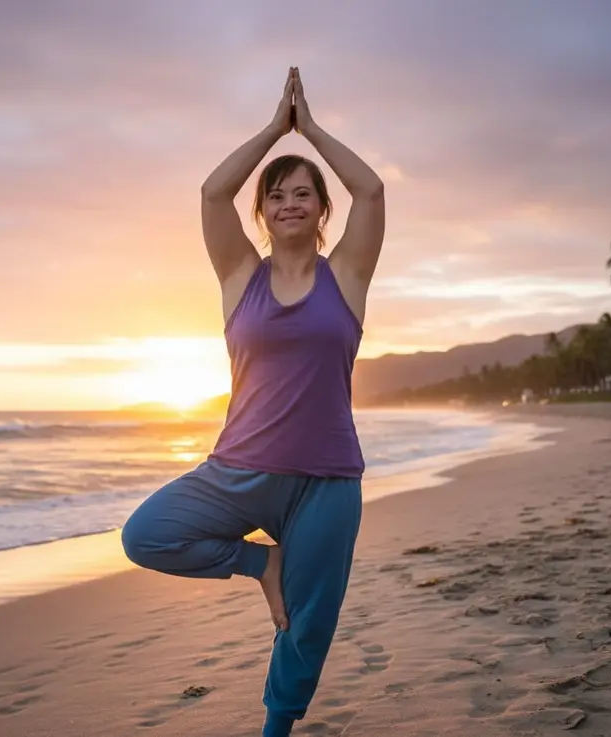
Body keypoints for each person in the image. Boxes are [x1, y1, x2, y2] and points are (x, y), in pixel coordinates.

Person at [121, 66, 385, 737]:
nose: (289, 202)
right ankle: (261, 561)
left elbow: (372, 189)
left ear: (322, 211)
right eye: (276, 194)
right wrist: (276, 129)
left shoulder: (347, 276)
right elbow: (213, 193)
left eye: (303, 193)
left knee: (305, 627)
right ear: (262, 212)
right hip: (239, 469)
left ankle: (275, 730)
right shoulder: (241, 275)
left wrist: (312, 130)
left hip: (327, 481)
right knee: (145, 533)